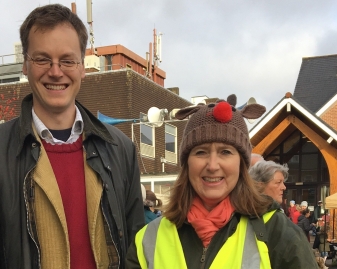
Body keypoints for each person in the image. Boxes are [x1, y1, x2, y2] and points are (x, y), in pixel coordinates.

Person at [0, 4, 144, 268]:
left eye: (67, 60)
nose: (56, 71)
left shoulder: (121, 149)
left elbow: (135, 248)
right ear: (25, 66)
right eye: (42, 59)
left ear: (82, 68)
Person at [125, 95, 318, 268]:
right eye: (201, 152)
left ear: (241, 164)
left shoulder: (277, 232)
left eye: (225, 152)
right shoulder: (148, 239)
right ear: (187, 164)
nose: (212, 165)